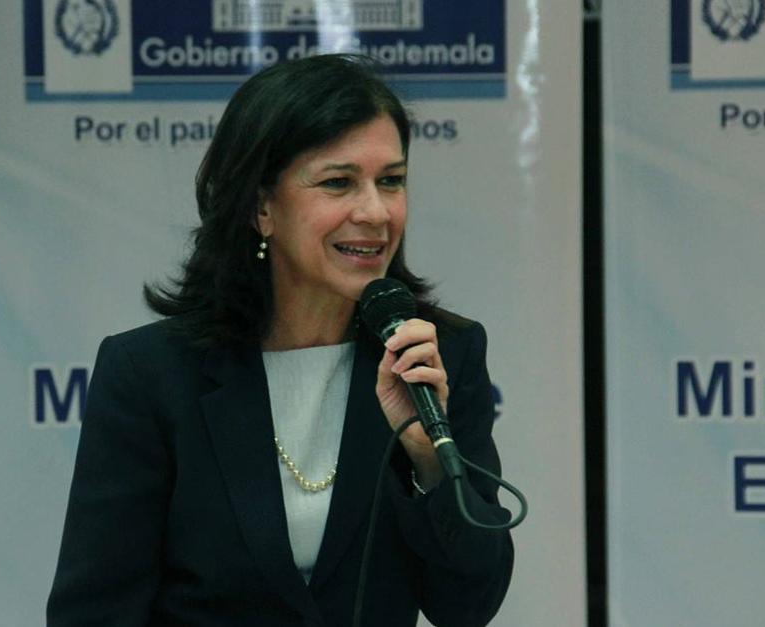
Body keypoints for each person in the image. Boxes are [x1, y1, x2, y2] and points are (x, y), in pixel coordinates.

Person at [47, 54, 514, 627]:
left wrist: (431, 463)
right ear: (260, 206)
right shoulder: (152, 374)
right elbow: (95, 612)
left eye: (390, 181)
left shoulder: (438, 358)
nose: (375, 211)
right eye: (338, 182)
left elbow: (468, 606)